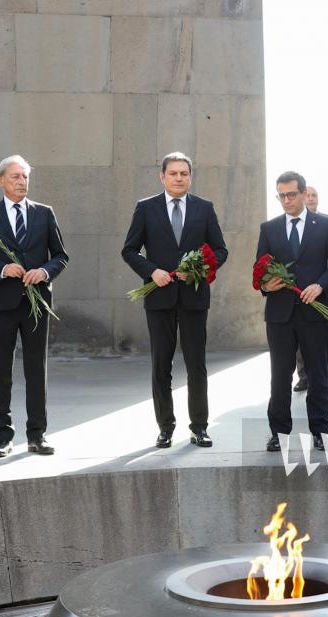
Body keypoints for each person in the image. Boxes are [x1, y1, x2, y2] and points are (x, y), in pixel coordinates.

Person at [122, 152, 228, 449]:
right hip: (159, 298)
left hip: (194, 297)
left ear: (190, 177)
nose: (179, 178)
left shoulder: (204, 209)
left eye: (184, 173)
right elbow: (129, 250)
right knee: (161, 365)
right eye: (174, 173)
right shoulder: (146, 208)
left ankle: (200, 428)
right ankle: (165, 427)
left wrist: (198, 270)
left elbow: (220, 251)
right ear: (162, 176)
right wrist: (151, 271)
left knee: (197, 365)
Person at [0, 155, 69, 458]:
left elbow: (60, 255)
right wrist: (1, 269)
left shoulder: (44, 213)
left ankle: (37, 435)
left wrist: (45, 271)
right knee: (2, 370)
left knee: (36, 369)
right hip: (1, 305)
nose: (22, 182)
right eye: (15, 177)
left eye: (25, 177)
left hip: (37, 304)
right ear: (1, 180)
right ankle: (3, 437)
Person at [256, 171, 328, 452]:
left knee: (318, 373)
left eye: (291, 194)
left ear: (304, 193)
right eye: (281, 195)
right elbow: (259, 269)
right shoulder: (269, 228)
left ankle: (320, 430)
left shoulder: (326, 225)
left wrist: (320, 286)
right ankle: (278, 432)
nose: (286, 200)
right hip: (279, 316)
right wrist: (266, 285)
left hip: (315, 312)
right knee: (280, 376)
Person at [294, 186, 328, 392]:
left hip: (325, 290)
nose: (311, 198)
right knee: (298, 334)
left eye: (314, 195)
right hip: (299, 292)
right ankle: (304, 376)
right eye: (307, 195)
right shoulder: (290, 226)